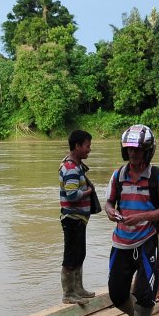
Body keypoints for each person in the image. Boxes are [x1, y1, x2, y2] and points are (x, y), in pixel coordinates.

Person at [104, 124, 159, 316]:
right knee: (116, 293)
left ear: (148, 151)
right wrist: (111, 212)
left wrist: (143, 216)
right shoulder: (118, 176)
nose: (133, 154)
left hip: (146, 240)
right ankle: (133, 315)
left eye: (138, 150)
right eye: (130, 150)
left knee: (146, 292)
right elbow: (109, 203)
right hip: (120, 242)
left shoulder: (157, 176)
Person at [58, 130, 97, 305]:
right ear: (77, 146)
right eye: (87, 146)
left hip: (78, 219)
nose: (89, 149)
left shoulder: (75, 166)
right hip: (72, 218)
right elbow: (72, 195)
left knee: (79, 253)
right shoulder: (71, 169)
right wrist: (89, 191)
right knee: (71, 255)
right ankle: (68, 293)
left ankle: (78, 289)